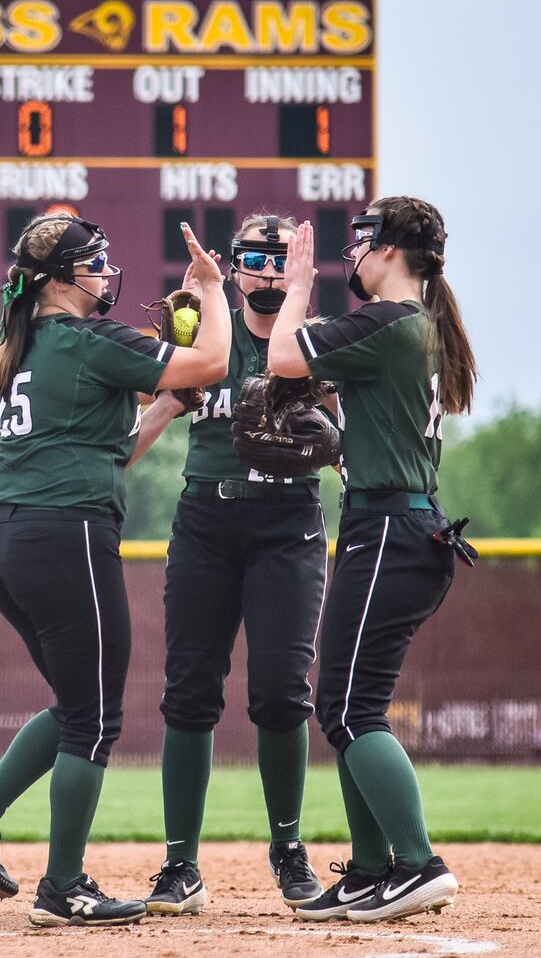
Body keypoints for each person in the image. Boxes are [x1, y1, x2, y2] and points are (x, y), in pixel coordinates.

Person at [0, 213, 230, 928]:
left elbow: (106, 451)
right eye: (93, 263)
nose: (104, 273)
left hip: (12, 539)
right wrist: (213, 291)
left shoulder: (30, 344)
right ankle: (63, 887)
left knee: (74, 706)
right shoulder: (89, 338)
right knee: (94, 719)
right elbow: (213, 362)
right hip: (67, 540)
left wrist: (160, 409)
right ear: (60, 278)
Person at [266, 198, 476, 922]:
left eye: (361, 240)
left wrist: (296, 289)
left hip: (390, 531)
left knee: (349, 709)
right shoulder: (413, 325)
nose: (351, 254)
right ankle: (367, 870)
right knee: (351, 706)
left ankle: (418, 863)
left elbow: (284, 356)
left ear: (390, 250)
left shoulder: (392, 319)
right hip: (396, 527)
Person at [136, 214, 327, 916]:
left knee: (280, 692)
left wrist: (330, 439)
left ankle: (288, 847)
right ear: (235, 266)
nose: (270, 273)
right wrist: (100, 471)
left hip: (288, 523)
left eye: (282, 261)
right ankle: (180, 865)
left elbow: (349, 434)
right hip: (207, 521)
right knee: (188, 691)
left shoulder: (311, 340)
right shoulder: (206, 336)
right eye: (256, 259)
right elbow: (155, 413)